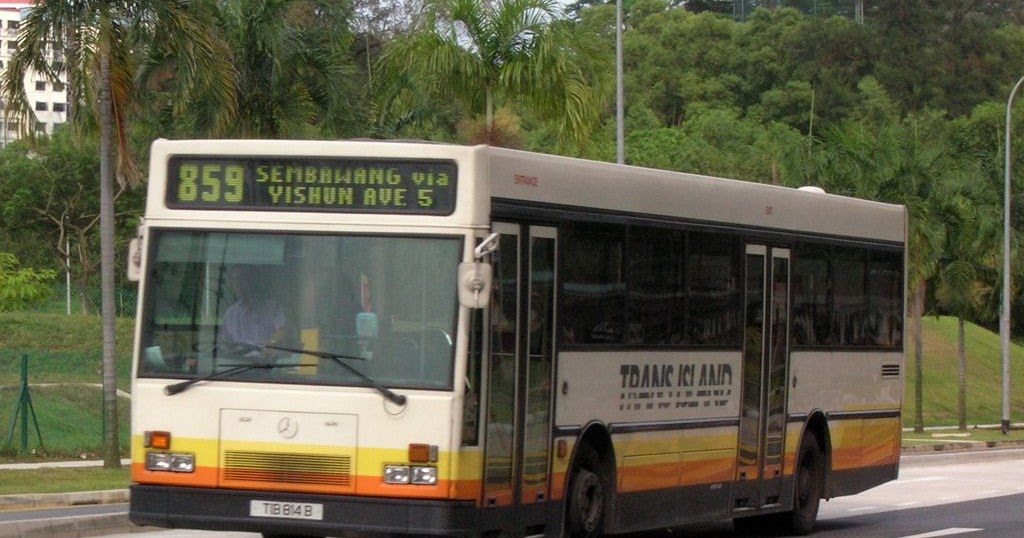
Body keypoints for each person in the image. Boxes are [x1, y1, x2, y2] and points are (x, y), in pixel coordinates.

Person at [220, 265, 285, 351]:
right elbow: (226, 343)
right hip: (239, 362)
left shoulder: (273, 307)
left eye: (243, 278)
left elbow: (283, 330)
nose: (238, 284)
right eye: (235, 279)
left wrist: (271, 345)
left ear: (254, 280)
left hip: (267, 361)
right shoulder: (230, 314)